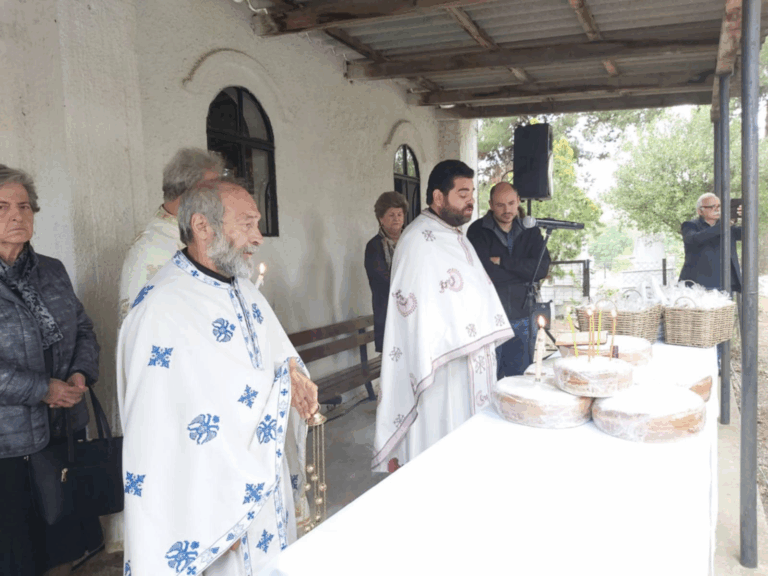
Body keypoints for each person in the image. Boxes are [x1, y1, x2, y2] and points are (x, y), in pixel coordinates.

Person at [117, 179, 319, 575]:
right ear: (202, 226)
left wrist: (295, 380)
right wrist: (210, 516)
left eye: (257, 224)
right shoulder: (162, 308)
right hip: (210, 505)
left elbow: (278, 361)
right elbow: (158, 433)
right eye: (246, 224)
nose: (258, 237)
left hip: (262, 484)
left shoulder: (245, 290)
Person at [372, 160, 513, 473]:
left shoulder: (453, 235)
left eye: (472, 193)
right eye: (462, 193)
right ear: (438, 197)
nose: (470, 200)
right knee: (443, 448)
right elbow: (414, 312)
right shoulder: (417, 240)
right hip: (442, 368)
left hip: (469, 362)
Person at [0, 165, 102, 576]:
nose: (17, 215)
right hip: (8, 445)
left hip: (62, 431)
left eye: (24, 206)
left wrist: (80, 373)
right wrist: (42, 389)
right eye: (2, 207)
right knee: (16, 554)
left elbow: (83, 329)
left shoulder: (52, 270)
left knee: (63, 546)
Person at [118, 147, 223, 323]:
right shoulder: (149, 250)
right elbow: (141, 326)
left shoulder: (202, 232)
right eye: (212, 191)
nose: (219, 200)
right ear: (188, 193)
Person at [467, 182, 550, 377]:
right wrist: (524, 273)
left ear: (518, 201)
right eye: (500, 205)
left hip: (523, 316)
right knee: (489, 380)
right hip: (489, 319)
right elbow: (485, 274)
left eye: (511, 203)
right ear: (490, 204)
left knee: (519, 380)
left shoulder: (530, 230)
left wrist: (503, 262)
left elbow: (541, 268)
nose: (507, 210)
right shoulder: (477, 231)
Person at [364, 192, 409, 353]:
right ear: (381, 219)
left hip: (412, 314)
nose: (396, 218)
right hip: (388, 314)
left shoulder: (411, 242)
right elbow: (382, 282)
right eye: (391, 215)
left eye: (399, 214)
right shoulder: (374, 246)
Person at [679, 192, 742, 292]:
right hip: (699, 285)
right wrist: (725, 224)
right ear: (700, 211)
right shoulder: (690, 225)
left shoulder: (728, 226)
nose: (717, 209)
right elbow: (695, 239)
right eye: (712, 207)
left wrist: (746, 217)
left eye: (719, 206)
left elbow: (747, 235)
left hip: (725, 282)